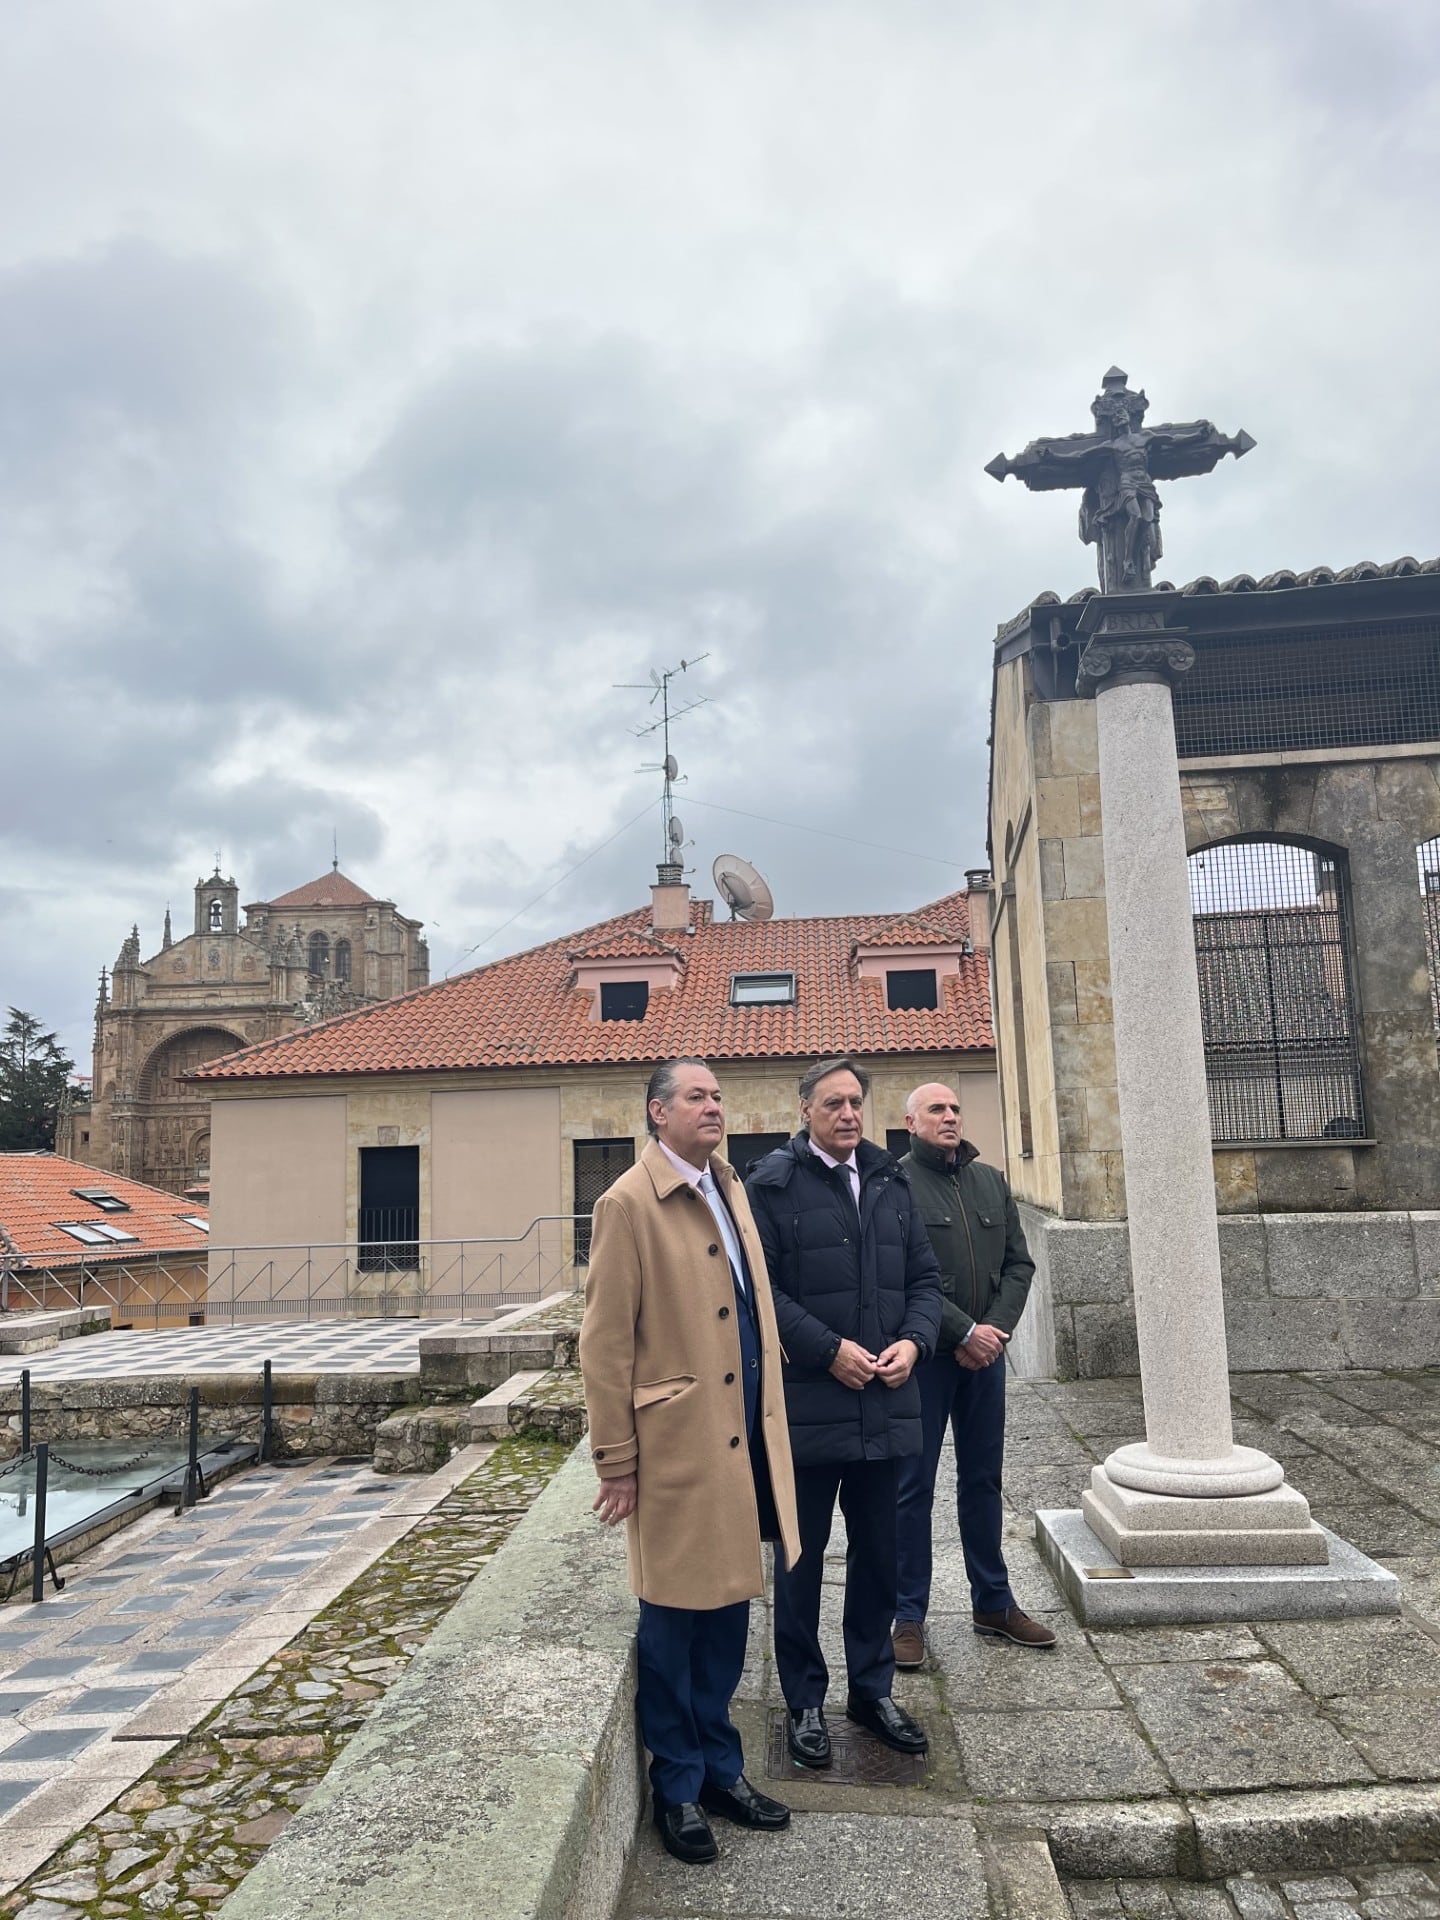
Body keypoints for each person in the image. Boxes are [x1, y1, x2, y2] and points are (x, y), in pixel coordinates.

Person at [579, 1058, 800, 1866]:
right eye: (697, 1097)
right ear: (657, 1113)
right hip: (676, 1441)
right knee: (673, 1623)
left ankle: (721, 1771)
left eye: (717, 1096)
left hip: (739, 1429)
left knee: (731, 1610)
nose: (714, 1106)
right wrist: (615, 1461)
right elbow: (603, 1345)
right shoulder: (626, 1203)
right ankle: (676, 1786)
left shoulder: (727, 1183)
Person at [746, 1057, 942, 1768]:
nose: (849, 1114)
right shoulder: (772, 1185)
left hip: (886, 1404)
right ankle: (803, 1699)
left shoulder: (891, 1183)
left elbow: (924, 1278)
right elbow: (765, 1295)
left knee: (879, 1556)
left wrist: (916, 1344)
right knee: (800, 1562)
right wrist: (829, 1351)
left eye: (856, 1101)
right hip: (809, 1407)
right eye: (834, 1103)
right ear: (805, 1110)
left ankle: (871, 1688)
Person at [892, 1082, 1055, 1666]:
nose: (951, 1116)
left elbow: (1019, 1261)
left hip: (985, 1359)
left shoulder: (990, 1182)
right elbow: (909, 1276)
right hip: (927, 1360)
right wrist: (962, 1332)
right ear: (910, 1122)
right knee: (912, 1488)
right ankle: (908, 1614)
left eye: (956, 1108)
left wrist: (994, 1331)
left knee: (983, 1481)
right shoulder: (898, 1185)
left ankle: (993, 1601)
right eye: (937, 1109)